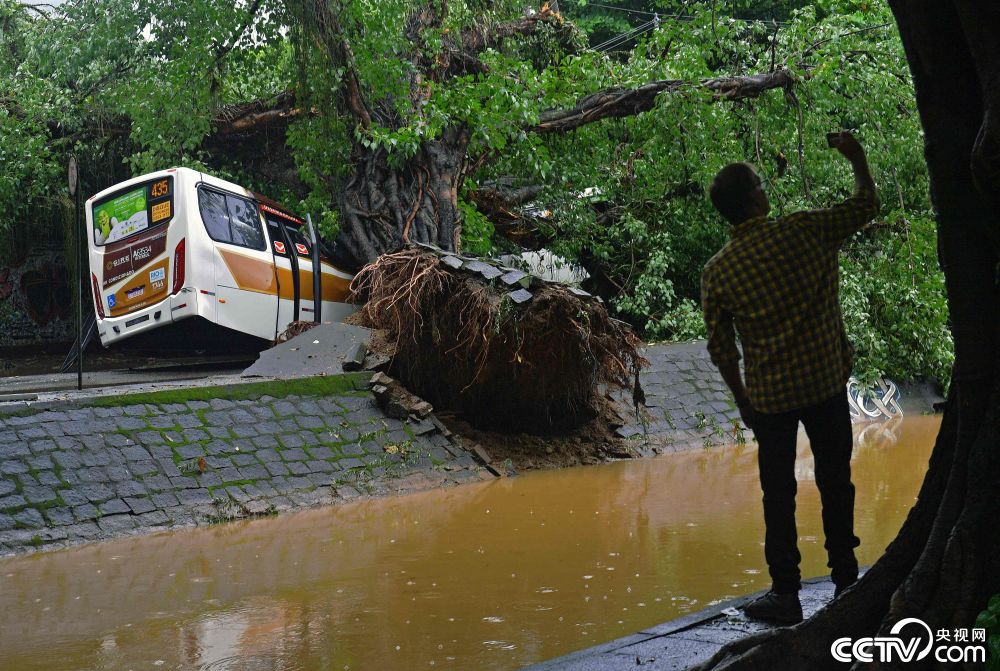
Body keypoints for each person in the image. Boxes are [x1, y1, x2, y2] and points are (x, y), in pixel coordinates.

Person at [700, 131, 879, 624]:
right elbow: (866, 203)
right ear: (755, 197)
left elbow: (721, 350)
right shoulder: (805, 230)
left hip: (770, 401)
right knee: (835, 482)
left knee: (777, 495)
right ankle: (847, 581)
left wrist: (743, 403)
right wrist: (856, 156)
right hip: (823, 385)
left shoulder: (718, 271)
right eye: (760, 182)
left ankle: (785, 595)